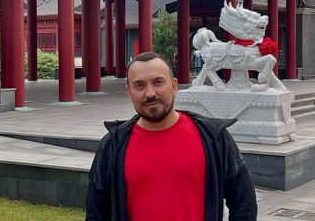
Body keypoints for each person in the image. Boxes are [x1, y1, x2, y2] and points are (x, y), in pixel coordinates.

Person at [86, 51, 257, 221]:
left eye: (158, 82)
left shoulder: (213, 137)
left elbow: (244, 203)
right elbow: (96, 212)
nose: (150, 93)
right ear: (129, 92)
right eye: (139, 85)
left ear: (174, 86)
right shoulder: (113, 144)